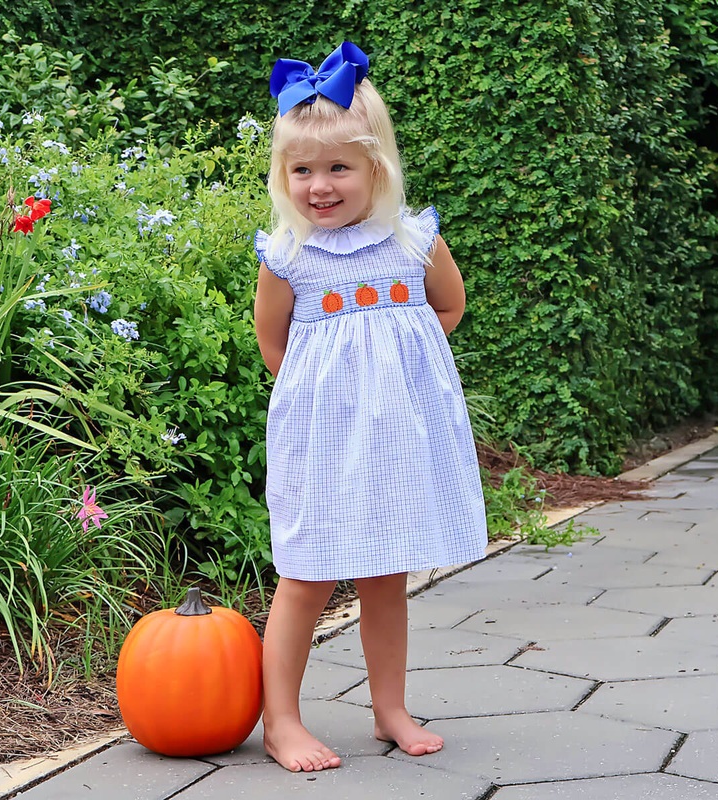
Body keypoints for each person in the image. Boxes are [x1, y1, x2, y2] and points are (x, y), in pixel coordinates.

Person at [253, 41, 488, 773]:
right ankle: (281, 722)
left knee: (387, 572)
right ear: (283, 177)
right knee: (307, 574)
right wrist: (334, 393)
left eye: (337, 168)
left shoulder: (413, 242)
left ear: (376, 168)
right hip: (323, 438)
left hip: (394, 433)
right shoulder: (289, 257)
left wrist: (395, 367)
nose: (319, 186)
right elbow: (275, 347)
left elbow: (446, 310)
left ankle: (389, 709)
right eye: (302, 171)